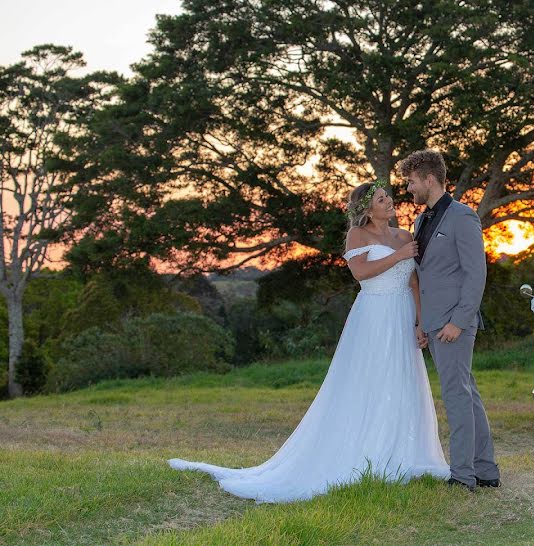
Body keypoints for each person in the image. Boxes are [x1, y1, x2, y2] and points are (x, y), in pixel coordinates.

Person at [167, 180, 450, 503]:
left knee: (402, 381)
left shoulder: (404, 235)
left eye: (388, 197)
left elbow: (413, 280)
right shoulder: (358, 236)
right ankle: (363, 451)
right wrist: (399, 255)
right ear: (367, 209)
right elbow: (361, 272)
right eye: (382, 200)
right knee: (367, 382)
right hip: (373, 315)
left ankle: (401, 453)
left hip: (401, 314)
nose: (390, 203)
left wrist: (419, 320)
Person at [399, 149, 501, 492]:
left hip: (454, 325)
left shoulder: (463, 216)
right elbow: (426, 276)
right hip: (434, 323)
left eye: (411, 182)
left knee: (457, 397)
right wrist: (422, 322)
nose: (408, 189)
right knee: (466, 394)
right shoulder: (420, 220)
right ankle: (486, 470)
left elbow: (476, 274)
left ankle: (462, 476)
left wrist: (458, 320)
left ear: (429, 179)